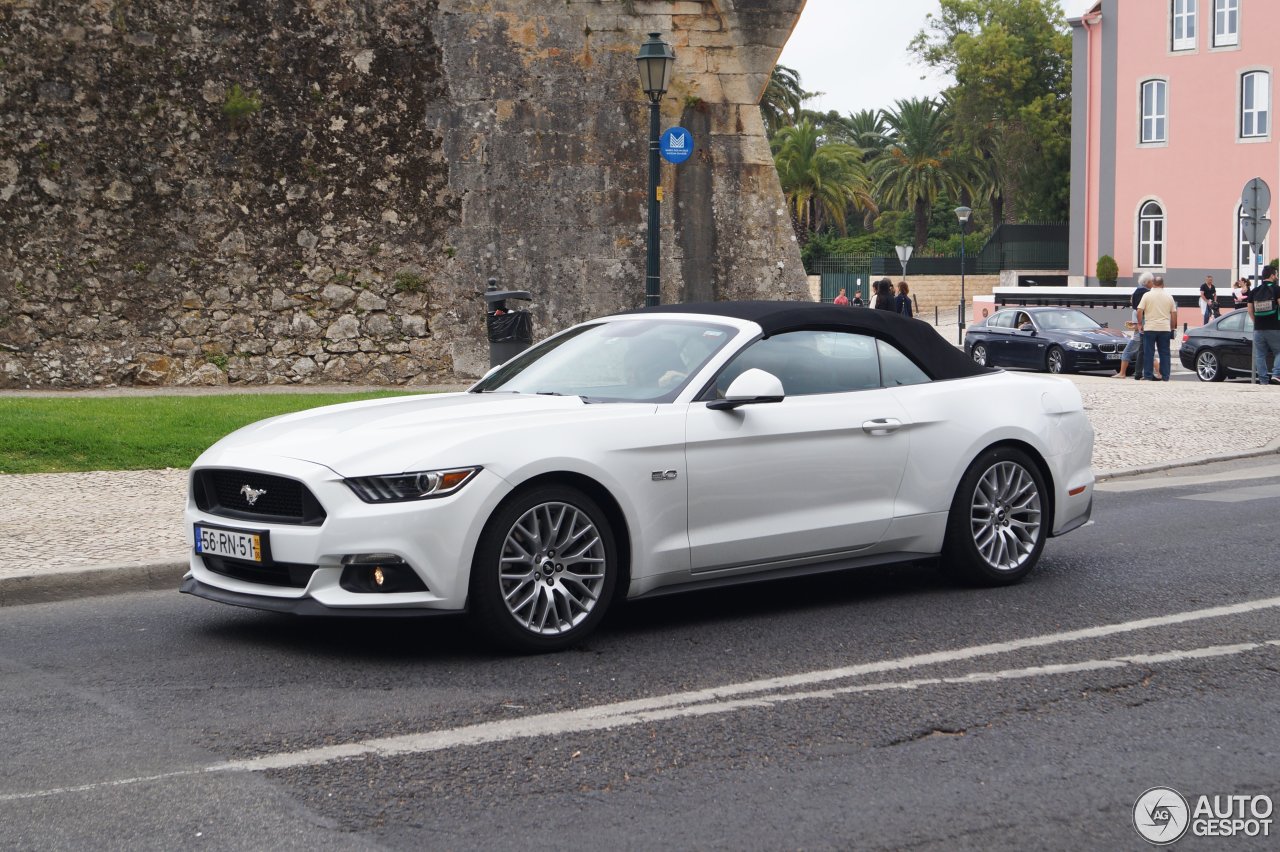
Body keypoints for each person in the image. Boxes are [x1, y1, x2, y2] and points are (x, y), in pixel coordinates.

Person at [1136, 274, 1177, 381]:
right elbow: (1173, 314)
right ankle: (1165, 376)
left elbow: (1139, 310)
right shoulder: (1169, 296)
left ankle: (1148, 375)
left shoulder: (1147, 295)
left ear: (1153, 284)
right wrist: (1172, 327)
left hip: (1150, 327)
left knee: (1148, 352)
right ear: (1163, 284)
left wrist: (1140, 324)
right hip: (1164, 328)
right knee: (1165, 353)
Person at [1112, 272, 1152, 379]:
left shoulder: (1136, 310)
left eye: (1132, 297)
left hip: (1138, 336)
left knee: (1126, 352)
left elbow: (1137, 327)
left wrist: (1131, 326)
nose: (1131, 299)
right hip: (1147, 332)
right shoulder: (1147, 303)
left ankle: (1122, 373)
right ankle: (1158, 372)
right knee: (1147, 354)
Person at [1247, 264, 1280, 385]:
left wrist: (1257, 322)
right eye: (1276, 274)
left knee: (1260, 355)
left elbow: (1250, 310)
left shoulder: (1254, 291)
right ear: (1272, 275)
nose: (1276, 276)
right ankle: (1277, 374)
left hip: (1258, 329)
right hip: (1275, 327)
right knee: (1279, 351)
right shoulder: (1277, 289)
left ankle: (1263, 380)